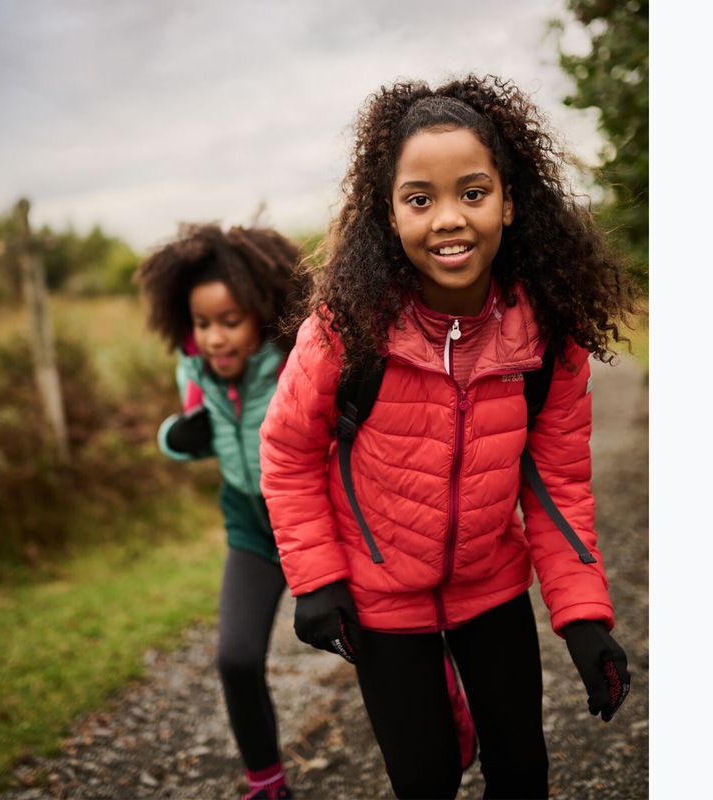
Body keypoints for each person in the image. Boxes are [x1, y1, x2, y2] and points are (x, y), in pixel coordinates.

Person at [258, 75, 637, 800]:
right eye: (419, 198)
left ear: (510, 200)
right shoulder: (347, 330)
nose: (448, 219)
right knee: (425, 780)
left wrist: (583, 615)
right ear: (389, 213)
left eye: (472, 192)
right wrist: (317, 581)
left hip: (491, 587)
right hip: (382, 601)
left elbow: (558, 484)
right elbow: (287, 453)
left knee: (524, 775)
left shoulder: (549, 336)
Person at [136, 223, 308, 800]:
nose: (215, 338)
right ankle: (266, 785)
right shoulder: (195, 370)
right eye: (203, 324)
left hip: (315, 519)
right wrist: (177, 435)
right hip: (249, 523)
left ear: (262, 311)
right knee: (235, 658)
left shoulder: (291, 363)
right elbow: (199, 431)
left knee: (380, 643)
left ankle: (445, 704)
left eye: (229, 321)